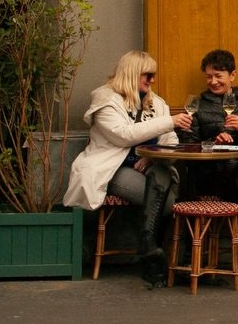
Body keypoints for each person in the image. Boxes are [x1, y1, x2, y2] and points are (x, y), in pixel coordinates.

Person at [64, 51, 193, 281]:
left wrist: (153, 157)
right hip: (112, 168)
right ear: (132, 73)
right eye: (148, 75)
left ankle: (148, 246)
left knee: (161, 176)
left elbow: (170, 140)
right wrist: (169, 121)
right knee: (168, 201)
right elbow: (123, 136)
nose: (152, 80)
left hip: (150, 168)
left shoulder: (156, 102)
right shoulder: (106, 100)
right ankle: (151, 251)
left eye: (153, 76)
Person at [177, 48, 238, 281]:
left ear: (233, 75)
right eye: (209, 76)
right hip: (207, 179)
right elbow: (187, 145)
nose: (213, 81)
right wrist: (212, 141)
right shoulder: (197, 106)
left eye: (218, 76)